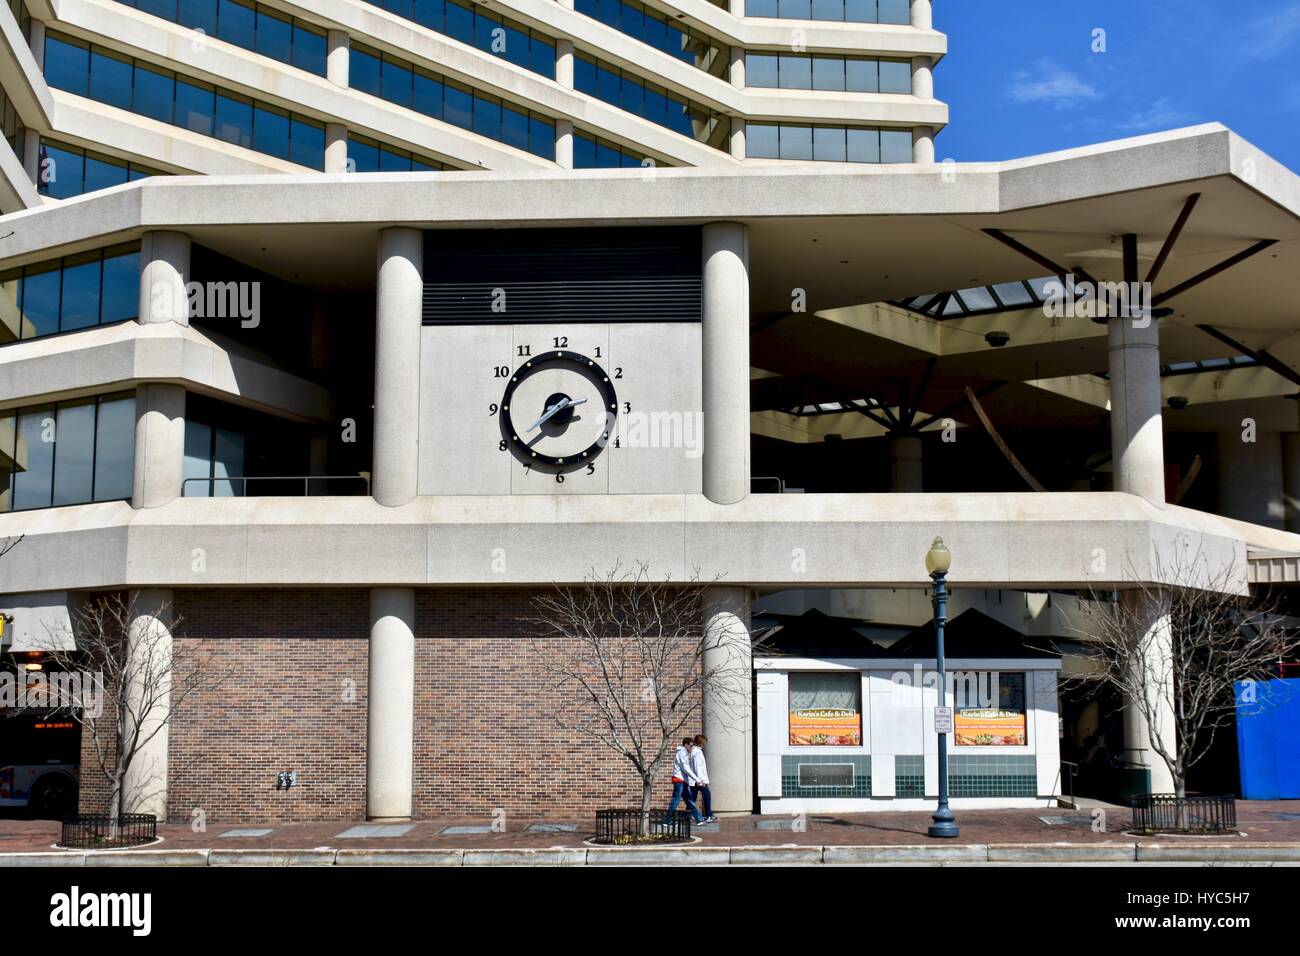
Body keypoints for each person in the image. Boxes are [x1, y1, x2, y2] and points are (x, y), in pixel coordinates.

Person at [665, 736, 703, 825]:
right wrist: (697, 779)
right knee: (676, 800)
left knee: (689, 800)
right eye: (690, 746)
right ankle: (667, 821)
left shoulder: (684, 753)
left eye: (693, 746)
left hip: (683, 780)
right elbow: (686, 768)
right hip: (679, 780)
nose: (692, 748)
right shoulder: (682, 753)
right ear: (685, 745)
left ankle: (699, 818)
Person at [691, 734, 718, 823]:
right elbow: (698, 767)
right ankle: (708, 815)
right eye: (704, 743)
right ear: (701, 743)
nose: (705, 745)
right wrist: (701, 780)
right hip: (699, 780)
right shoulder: (697, 752)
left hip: (695, 780)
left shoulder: (693, 751)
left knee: (692, 798)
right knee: (707, 796)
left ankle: (690, 815)